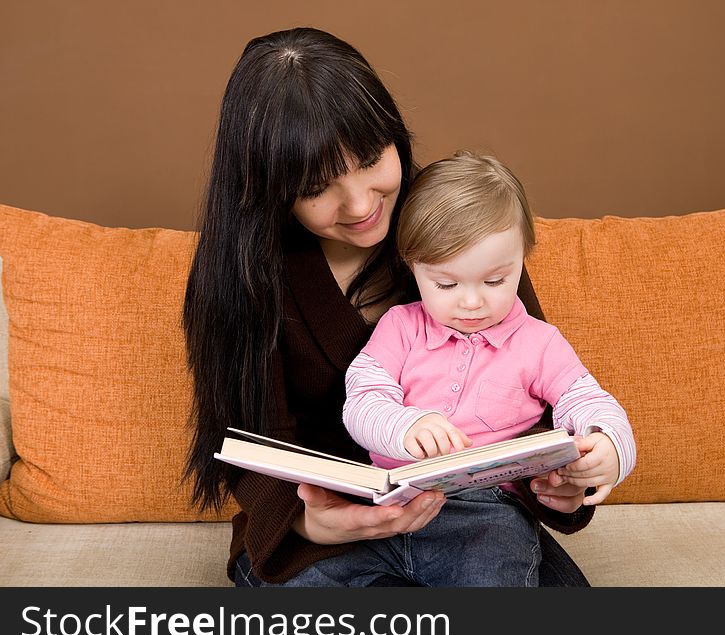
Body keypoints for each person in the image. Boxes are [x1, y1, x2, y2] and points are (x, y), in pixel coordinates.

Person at [183, 26, 598, 588]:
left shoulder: (451, 219)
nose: (359, 205)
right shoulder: (244, 277)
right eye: (317, 187)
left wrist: (564, 480)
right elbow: (253, 447)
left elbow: (534, 386)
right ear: (270, 188)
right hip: (318, 540)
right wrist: (316, 524)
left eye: (371, 159)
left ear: (394, 136)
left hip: (473, 519)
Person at [339, 152, 636, 586]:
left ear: (522, 257)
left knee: (492, 575)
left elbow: (587, 400)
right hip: (388, 503)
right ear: (412, 265)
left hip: (485, 513)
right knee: (299, 576)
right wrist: (406, 426)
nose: (473, 302)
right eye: (447, 284)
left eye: (495, 281)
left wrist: (608, 446)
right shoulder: (400, 327)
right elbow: (362, 398)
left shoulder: (538, 342)